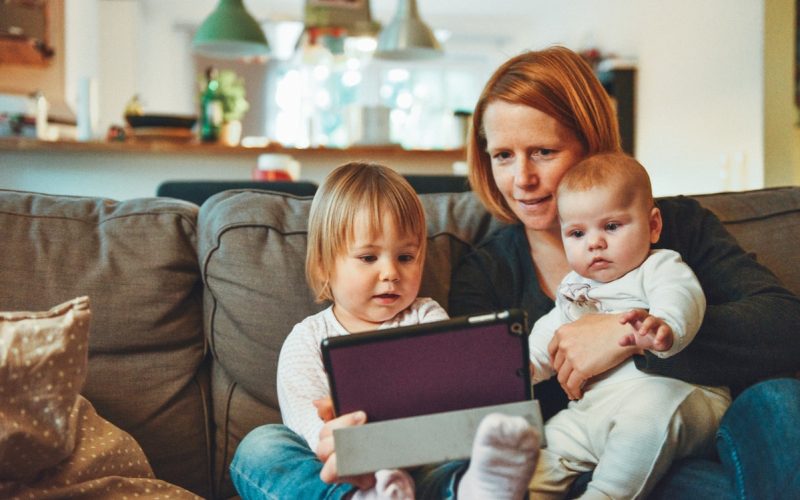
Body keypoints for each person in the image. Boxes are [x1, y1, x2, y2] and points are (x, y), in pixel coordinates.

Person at [448, 46, 800, 497]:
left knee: (781, 401)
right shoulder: (485, 272)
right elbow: (479, 404)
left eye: (543, 151)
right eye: (503, 156)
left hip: (707, 433)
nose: (522, 179)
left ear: (590, 146)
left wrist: (624, 336)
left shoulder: (677, 228)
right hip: (587, 462)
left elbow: (786, 325)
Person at [230, 162, 540, 500]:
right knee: (260, 447)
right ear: (324, 265)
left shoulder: (426, 316)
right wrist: (349, 442)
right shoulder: (305, 340)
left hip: (421, 466)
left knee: (466, 452)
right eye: (368, 258)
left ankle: (474, 490)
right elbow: (311, 433)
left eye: (406, 257)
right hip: (346, 471)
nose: (390, 272)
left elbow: (446, 401)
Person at [527, 152, 730, 499]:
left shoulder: (658, 266)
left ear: (653, 226)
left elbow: (680, 295)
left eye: (611, 226)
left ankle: (605, 494)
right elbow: (553, 332)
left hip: (676, 398)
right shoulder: (574, 287)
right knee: (544, 449)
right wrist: (525, 367)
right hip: (594, 410)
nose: (595, 242)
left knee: (645, 415)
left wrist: (665, 326)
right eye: (577, 233)